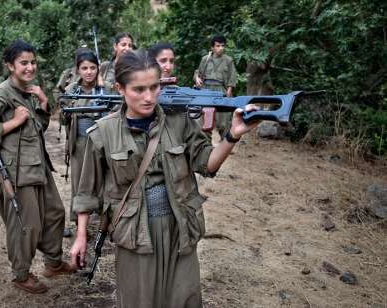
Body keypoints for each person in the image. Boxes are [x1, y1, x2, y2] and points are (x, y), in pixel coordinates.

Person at [69, 49, 259, 307]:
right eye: (138, 89)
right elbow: (86, 192)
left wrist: (233, 135)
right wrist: (81, 236)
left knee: (184, 299)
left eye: (154, 87)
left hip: (179, 226)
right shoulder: (103, 133)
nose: (149, 97)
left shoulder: (178, 121)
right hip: (135, 233)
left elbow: (206, 163)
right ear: (120, 88)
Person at [0, 39, 74, 294]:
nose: (30, 67)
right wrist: (12, 123)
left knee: (55, 213)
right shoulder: (2, 94)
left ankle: (52, 263)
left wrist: (42, 103)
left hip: (38, 166)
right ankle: (21, 275)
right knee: (26, 225)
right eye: (23, 63)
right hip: (17, 171)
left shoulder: (28, 91)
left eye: (33, 62)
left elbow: (37, 127)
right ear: (10, 65)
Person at [59, 50, 102, 224]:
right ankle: (78, 222)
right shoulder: (71, 90)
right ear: (78, 70)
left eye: (93, 67)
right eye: (84, 68)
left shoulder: (104, 89)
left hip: (101, 142)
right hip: (80, 142)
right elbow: (62, 119)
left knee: (102, 181)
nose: (89, 71)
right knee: (79, 183)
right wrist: (67, 112)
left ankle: (103, 221)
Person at [194, 34, 237, 137]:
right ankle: (205, 145)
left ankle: (225, 144)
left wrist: (228, 93)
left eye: (222, 46)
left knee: (223, 121)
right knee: (205, 120)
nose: (221, 48)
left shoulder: (228, 60)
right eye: (218, 46)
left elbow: (232, 77)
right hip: (206, 91)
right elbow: (198, 73)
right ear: (212, 48)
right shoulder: (205, 59)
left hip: (220, 91)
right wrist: (197, 78)